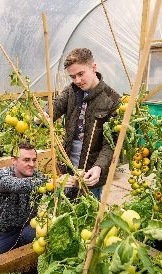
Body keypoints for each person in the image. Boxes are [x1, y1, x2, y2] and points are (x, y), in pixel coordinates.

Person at [49, 48, 120, 200]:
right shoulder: (71, 91)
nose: (77, 81)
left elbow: (111, 144)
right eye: (72, 76)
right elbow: (56, 105)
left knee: (88, 216)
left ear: (93, 67)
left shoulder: (112, 99)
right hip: (67, 168)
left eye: (81, 74)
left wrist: (99, 167)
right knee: (63, 213)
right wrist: (45, 114)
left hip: (90, 173)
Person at [0, 142, 47, 259]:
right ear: (14, 160)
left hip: (30, 227)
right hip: (6, 231)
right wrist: (51, 182)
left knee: (38, 250)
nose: (32, 164)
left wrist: (71, 183)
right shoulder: (2, 176)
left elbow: (56, 191)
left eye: (34, 160)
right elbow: (18, 185)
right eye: (26, 160)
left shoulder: (38, 176)